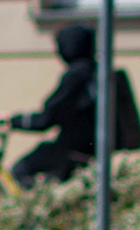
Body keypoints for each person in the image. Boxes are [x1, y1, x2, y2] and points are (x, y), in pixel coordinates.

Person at [7, 24, 99, 185]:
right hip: (90, 150)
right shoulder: (96, 73)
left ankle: (33, 207)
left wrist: (11, 121)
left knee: (20, 170)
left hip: (70, 150)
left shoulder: (76, 77)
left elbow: (46, 119)